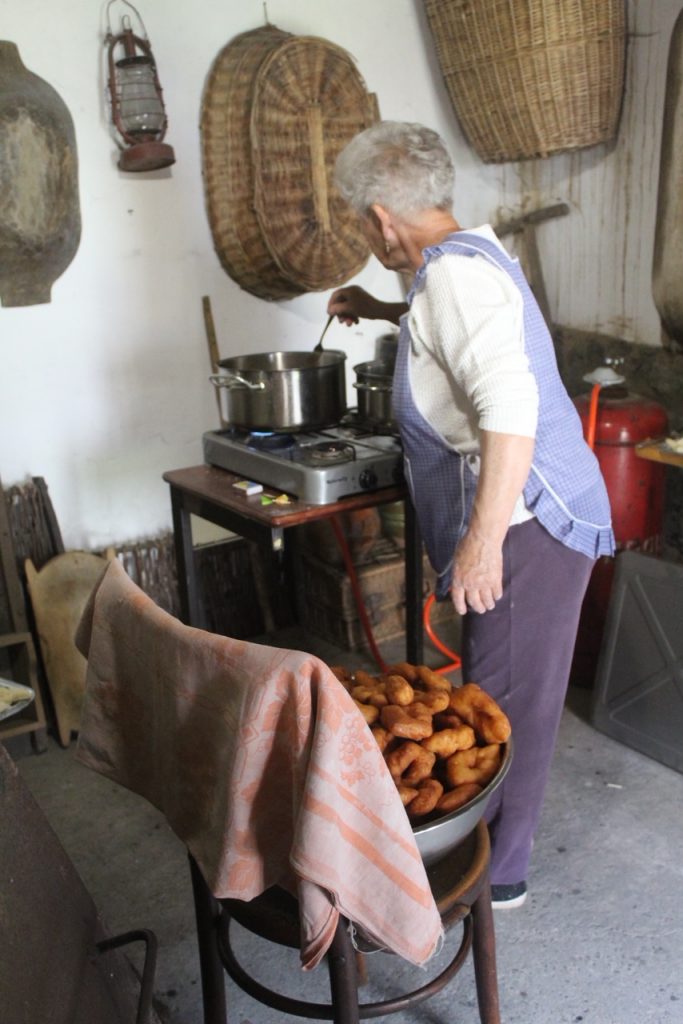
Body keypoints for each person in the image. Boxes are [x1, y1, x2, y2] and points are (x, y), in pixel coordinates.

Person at [327, 121, 614, 909]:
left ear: (381, 219)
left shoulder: (455, 279)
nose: (364, 234)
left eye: (359, 221)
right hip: (529, 515)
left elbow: (508, 408)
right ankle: (486, 858)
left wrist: (482, 543)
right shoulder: (461, 259)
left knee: (504, 705)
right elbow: (454, 337)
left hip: (528, 523)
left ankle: (496, 878)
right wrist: (381, 308)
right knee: (500, 691)